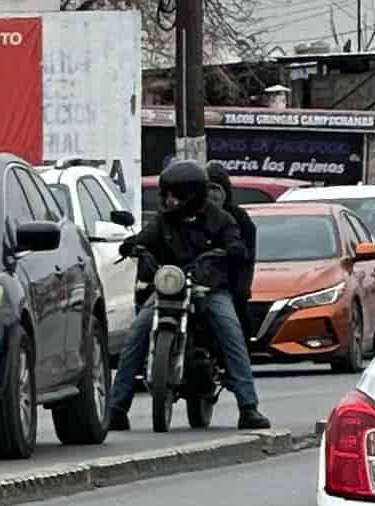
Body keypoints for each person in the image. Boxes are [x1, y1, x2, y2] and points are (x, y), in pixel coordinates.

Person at [103, 152, 267, 429]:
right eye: (166, 194)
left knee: (231, 330)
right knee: (137, 333)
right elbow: (145, 238)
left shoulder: (221, 219)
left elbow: (235, 243)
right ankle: (117, 407)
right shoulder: (164, 220)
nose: (168, 200)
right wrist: (132, 245)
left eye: (174, 194)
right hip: (170, 287)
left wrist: (229, 250)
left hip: (209, 288)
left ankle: (248, 406)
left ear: (191, 194)